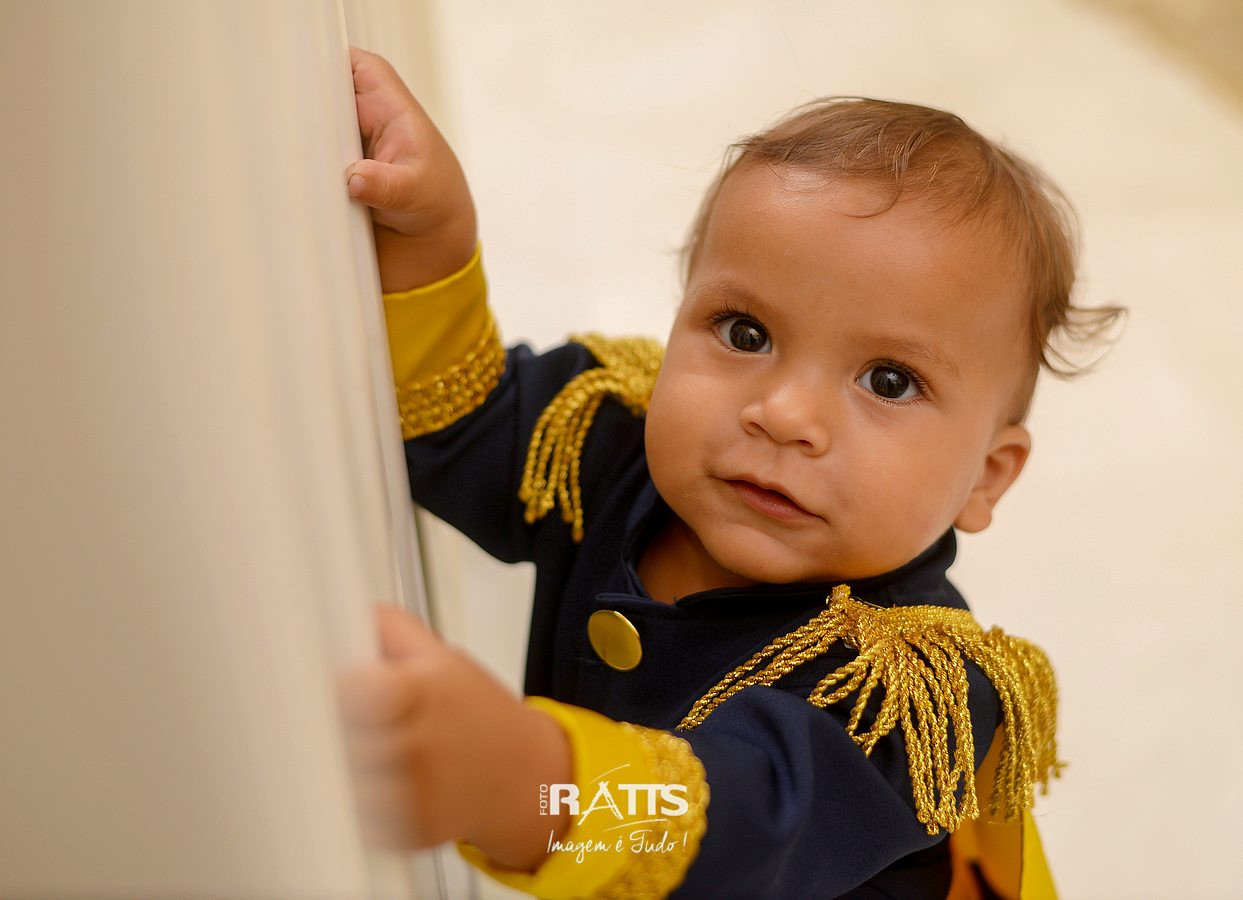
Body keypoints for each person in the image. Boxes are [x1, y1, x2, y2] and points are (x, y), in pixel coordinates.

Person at [337, 48, 1121, 899]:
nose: (783, 414)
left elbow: (750, 823)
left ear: (986, 478)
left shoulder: (909, 694)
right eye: (745, 332)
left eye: (888, 381)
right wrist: (431, 241)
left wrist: (535, 785)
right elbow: (458, 420)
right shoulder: (605, 440)